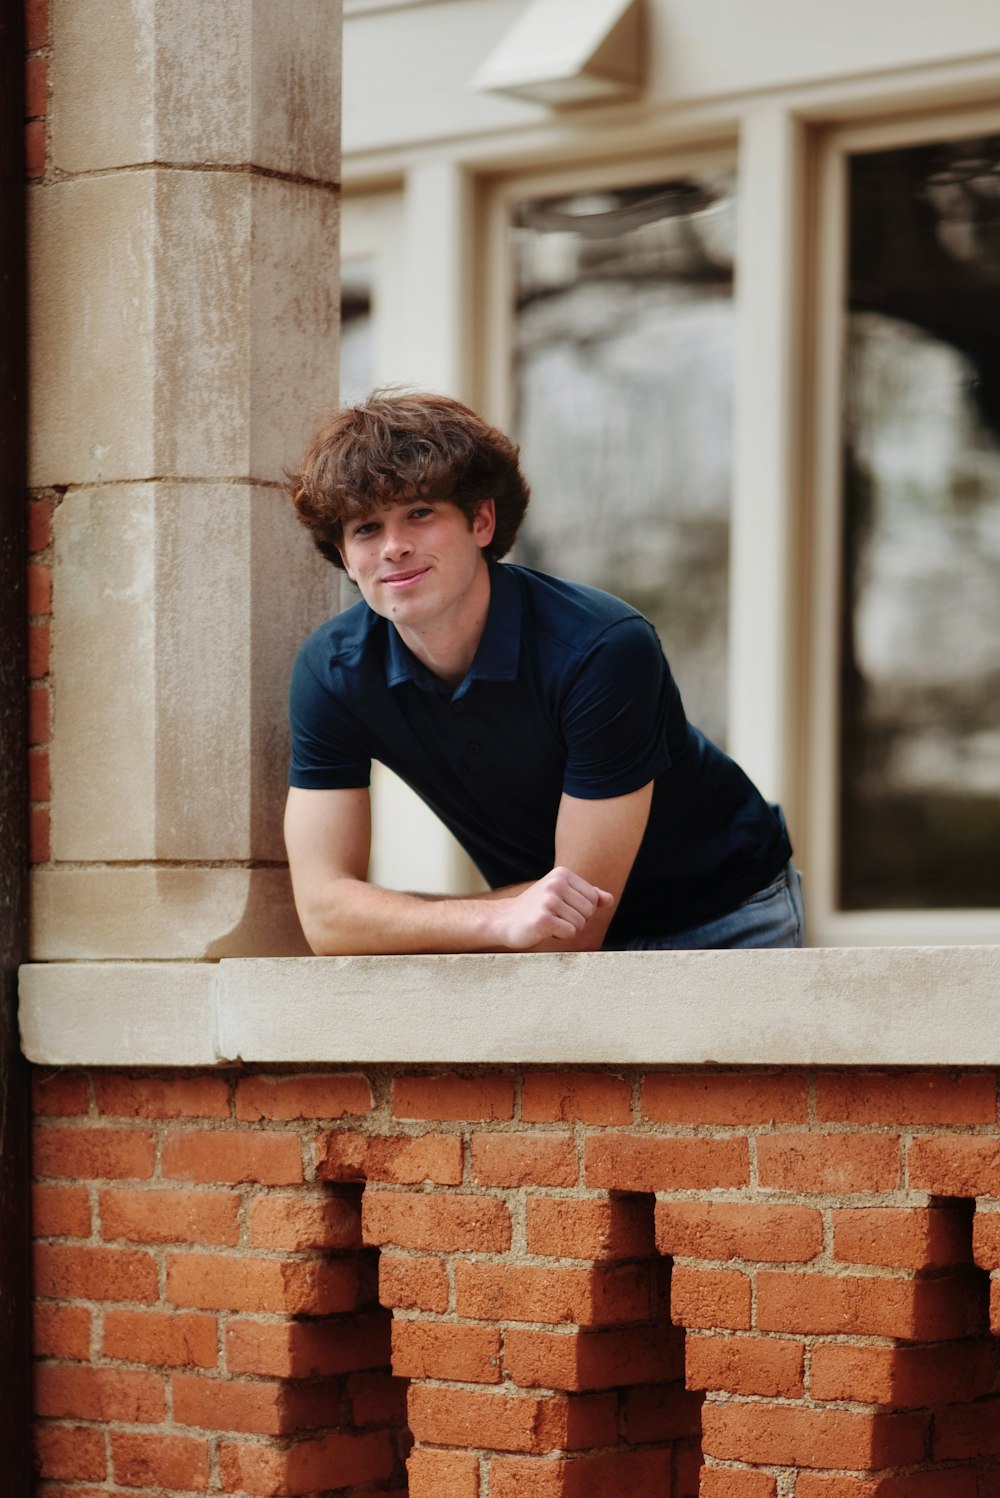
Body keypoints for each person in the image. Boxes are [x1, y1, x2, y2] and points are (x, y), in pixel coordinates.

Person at [283, 391, 805, 955]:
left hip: (724, 917)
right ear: (343, 552)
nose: (393, 548)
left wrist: (426, 918)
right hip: (531, 934)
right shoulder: (333, 671)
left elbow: (576, 924)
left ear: (481, 521)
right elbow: (325, 918)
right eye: (365, 528)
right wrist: (498, 919)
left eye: (420, 513)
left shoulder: (599, 648)